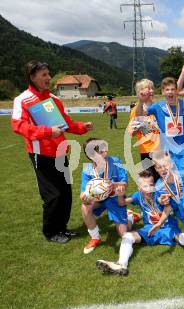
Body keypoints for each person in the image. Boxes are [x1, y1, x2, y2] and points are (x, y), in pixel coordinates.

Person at [11, 60, 93, 243]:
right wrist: (47, 132)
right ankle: (50, 232)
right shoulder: (22, 100)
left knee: (65, 193)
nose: (49, 78)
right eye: (44, 75)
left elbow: (66, 123)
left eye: (49, 73)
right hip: (41, 155)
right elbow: (18, 126)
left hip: (61, 152)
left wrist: (82, 127)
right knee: (52, 195)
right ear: (32, 77)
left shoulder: (54, 100)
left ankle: (61, 229)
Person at [137, 77, 184, 176]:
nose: (170, 92)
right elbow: (140, 114)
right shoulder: (158, 107)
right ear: (163, 92)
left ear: (177, 91)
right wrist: (141, 101)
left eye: (172, 89)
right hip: (166, 153)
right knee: (171, 180)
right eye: (167, 90)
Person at [80, 138, 129, 254]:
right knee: (85, 206)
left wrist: (114, 184)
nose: (104, 150)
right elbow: (83, 193)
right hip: (99, 201)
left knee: (123, 234)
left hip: (115, 199)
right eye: (100, 151)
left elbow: (125, 183)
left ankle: (130, 217)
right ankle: (95, 237)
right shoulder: (87, 170)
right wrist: (84, 197)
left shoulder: (116, 161)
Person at [129, 79, 160, 178]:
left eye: (152, 88)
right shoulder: (135, 110)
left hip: (160, 149)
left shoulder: (159, 107)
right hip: (145, 151)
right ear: (140, 92)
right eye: (148, 88)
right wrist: (137, 127)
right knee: (150, 181)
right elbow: (131, 132)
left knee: (164, 180)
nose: (151, 91)